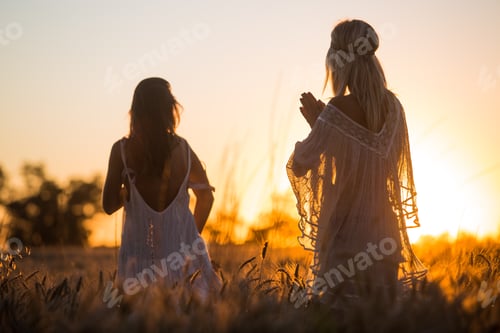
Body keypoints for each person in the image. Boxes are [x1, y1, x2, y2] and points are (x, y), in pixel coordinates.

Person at [287, 19, 427, 306]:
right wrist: (326, 130)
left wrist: (319, 127)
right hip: (385, 232)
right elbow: (379, 170)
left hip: (346, 233)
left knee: (341, 316)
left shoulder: (336, 110)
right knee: (381, 316)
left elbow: (300, 164)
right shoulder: (395, 108)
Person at [102, 77, 220, 299]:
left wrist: (129, 190)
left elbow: (108, 206)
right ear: (170, 109)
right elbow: (206, 198)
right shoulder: (184, 150)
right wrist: (188, 240)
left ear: (135, 110)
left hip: (138, 264)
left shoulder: (121, 151)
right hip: (183, 261)